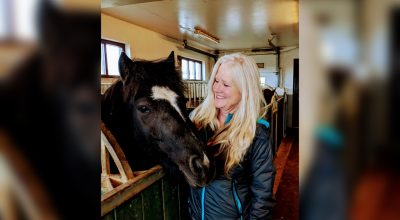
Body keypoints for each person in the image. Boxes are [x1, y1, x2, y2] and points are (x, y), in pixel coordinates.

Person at [188, 53, 276, 220]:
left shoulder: (256, 133)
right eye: (216, 80)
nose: (217, 88)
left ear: (244, 90)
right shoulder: (197, 120)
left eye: (226, 84)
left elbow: (263, 195)